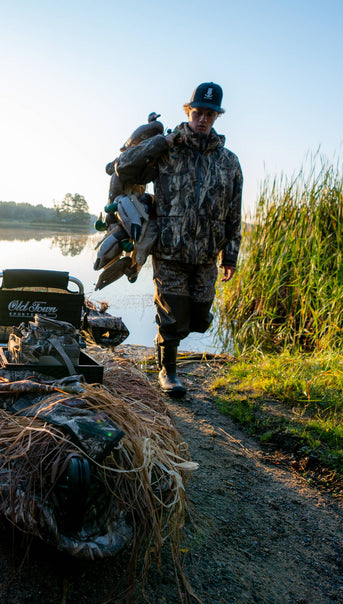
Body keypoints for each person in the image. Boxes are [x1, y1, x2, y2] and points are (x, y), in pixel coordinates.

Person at [114, 82, 243, 397]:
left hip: (206, 256)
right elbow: (124, 167)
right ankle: (167, 373)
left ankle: (170, 350)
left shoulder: (229, 161)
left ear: (216, 117)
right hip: (169, 250)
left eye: (209, 114)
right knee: (171, 320)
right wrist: (161, 141)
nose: (202, 119)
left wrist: (230, 255)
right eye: (197, 112)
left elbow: (234, 211)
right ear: (189, 111)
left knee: (198, 320)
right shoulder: (167, 150)